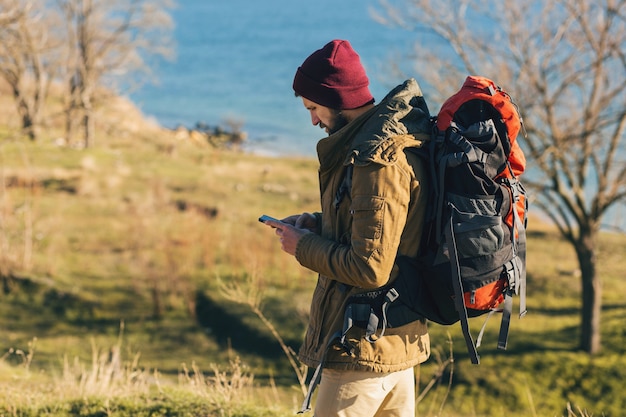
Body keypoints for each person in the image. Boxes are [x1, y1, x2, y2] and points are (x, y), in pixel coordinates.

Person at [262, 39, 432, 417]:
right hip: (392, 343)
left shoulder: (377, 161)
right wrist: (316, 224)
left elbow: (370, 267)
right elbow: (388, 230)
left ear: (336, 98)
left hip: (363, 348)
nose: (312, 120)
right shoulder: (379, 143)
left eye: (314, 108)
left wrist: (302, 247)